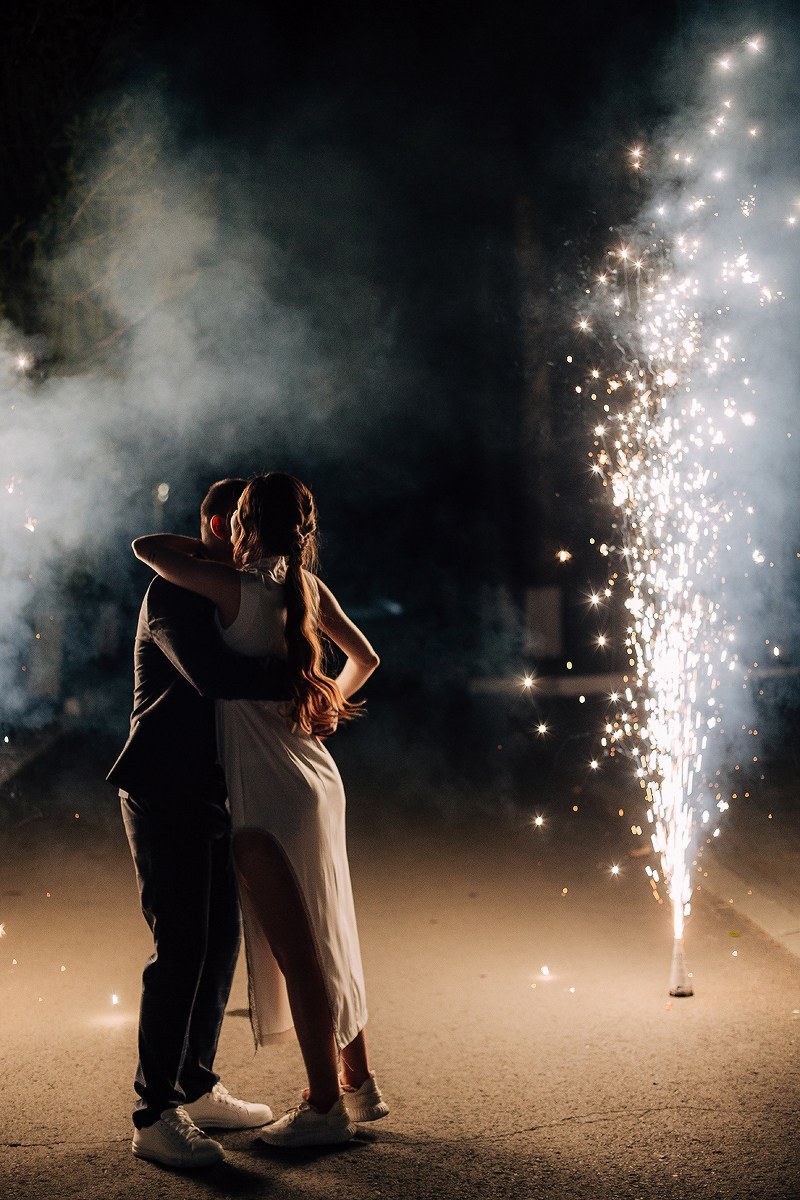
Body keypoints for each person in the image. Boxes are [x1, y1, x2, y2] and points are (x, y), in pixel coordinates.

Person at [131, 471, 387, 1148]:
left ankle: (323, 1107)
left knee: (296, 952)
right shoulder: (305, 587)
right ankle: (361, 1085)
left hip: (268, 788)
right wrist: (324, 694)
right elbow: (367, 656)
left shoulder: (233, 587)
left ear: (236, 523)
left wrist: (219, 545)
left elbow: (146, 547)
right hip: (315, 773)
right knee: (332, 928)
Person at [108, 478, 295, 1170]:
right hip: (161, 788)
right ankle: (152, 1114)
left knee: (221, 942)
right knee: (181, 944)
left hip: (213, 791)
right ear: (220, 522)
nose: (256, 533)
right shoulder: (173, 593)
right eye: (244, 520)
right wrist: (304, 683)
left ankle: (195, 1083)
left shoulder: (225, 586)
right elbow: (212, 675)